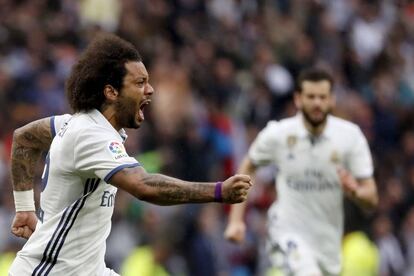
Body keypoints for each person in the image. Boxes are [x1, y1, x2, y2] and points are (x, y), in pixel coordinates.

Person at [8, 33, 252, 276]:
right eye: (139, 83)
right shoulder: (90, 134)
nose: (151, 90)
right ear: (111, 92)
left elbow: (24, 138)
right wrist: (218, 191)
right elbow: (143, 185)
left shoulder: (72, 124)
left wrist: (24, 208)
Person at [224, 68, 378, 276]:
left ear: (331, 100)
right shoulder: (278, 134)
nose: (316, 104)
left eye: (322, 97)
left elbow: (371, 197)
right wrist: (236, 220)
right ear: (298, 99)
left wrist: (356, 192)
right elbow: (247, 167)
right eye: (310, 97)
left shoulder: (350, 138)